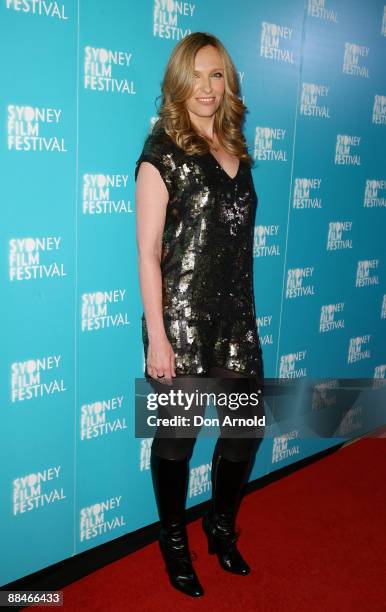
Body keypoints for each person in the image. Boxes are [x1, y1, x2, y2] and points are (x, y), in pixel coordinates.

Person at [135, 32, 265, 598]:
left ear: (227, 82)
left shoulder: (237, 149)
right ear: (179, 82)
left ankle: (219, 525)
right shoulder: (161, 150)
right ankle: (173, 540)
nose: (208, 87)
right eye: (198, 75)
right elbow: (147, 252)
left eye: (218, 75)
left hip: (236, 318)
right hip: (182, 320)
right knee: (177, 441)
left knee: (243, 431)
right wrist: (158, 339)